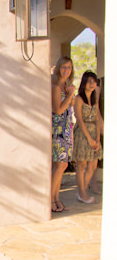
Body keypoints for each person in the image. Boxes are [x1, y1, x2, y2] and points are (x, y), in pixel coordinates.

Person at [73, 70, 103, 204]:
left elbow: (97, 119)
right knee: (81, 165)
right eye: (89, 81)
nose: (92, 84)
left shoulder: (94, 99)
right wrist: (89, 139)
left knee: (93, 164)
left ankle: (82, 191)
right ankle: (82, 193)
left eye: (93, 81)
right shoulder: (79, 98)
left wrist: (97, 138)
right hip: (82, 134)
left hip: (93, 133)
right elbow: (79, 119)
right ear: (84, 82)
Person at [51, 56, 75, 214]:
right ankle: (50, 200)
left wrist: (70, 95)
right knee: (61, 164)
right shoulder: (56, 86)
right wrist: (69, 95)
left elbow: (70, 106)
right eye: (63, 67)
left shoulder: (65, 85)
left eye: (69, 67)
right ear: (58, 68)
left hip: (67, 127)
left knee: (62, 165)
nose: (66, 70)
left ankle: (56, 198)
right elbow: (58, 110)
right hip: (58, 128)